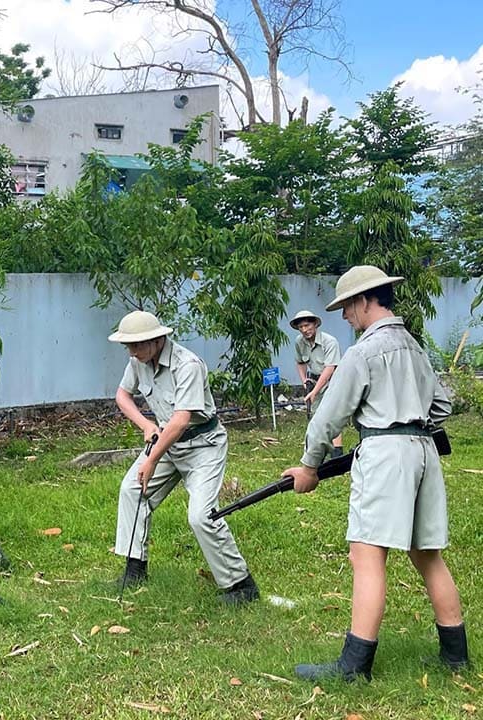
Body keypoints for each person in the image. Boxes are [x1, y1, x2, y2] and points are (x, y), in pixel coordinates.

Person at [284, 266, 470, 681]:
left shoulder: (363, 353)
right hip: (424, 451)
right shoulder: (413, 346)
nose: (345, 316)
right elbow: (441, 407)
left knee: (365, 555)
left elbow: (328, 419)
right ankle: (456, 657)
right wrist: (410, 420)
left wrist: (310, 466)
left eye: (348, 306)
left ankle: (353, 666)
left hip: (385, 455)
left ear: (365, 300)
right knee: (427, 554)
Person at [110, 311, 259, 605]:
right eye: (128, 346)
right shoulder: (137, 362)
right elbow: (122, 396)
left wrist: (150, 460)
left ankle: (241, 586)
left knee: (201, 515)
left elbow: (181, 419)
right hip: (167, 440)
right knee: (132, 490)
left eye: (136, 345)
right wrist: (146, 425)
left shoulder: (187, 365)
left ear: (157, 340)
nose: (131, 351)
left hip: (203, 444)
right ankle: (134, 569)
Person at [289, 309, 343, 456]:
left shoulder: (329, 341)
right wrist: (304, 381)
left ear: (315, 324)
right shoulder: (299, 342)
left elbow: (330, 367)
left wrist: (315, 391)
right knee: (315, 415)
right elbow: (300, 362)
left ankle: (337, 452)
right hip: (314, 379)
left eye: (307, 325)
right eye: (301, 327)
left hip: (333, 378)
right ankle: (317, 450)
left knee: (332, 414)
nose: (304, 330)